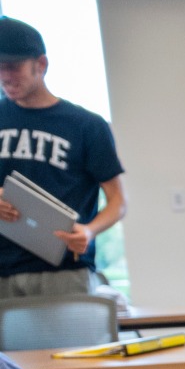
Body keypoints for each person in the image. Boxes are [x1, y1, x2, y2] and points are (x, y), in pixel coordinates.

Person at [0, 16, 126, 299]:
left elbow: (118, 202)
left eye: (13, 67)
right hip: (2, 270)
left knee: (70, 346)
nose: (5, 76)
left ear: (41, 65)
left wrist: (89, 232)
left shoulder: (86, 125)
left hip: (64, 272)